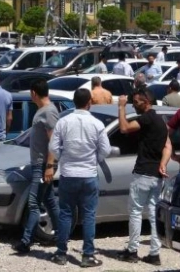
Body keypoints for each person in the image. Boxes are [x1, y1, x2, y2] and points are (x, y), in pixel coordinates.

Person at [48, 88, 110, 267]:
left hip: (68, 173)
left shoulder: (63, 122)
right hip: (89, 174)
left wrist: (63, 158)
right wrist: (95, 158)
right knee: (89, 215)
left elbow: (53, 147)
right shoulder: (97, 124)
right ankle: (88, 255)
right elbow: (105, 149)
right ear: (89, 102)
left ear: (74, 101)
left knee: (65, 214)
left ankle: (61, 253)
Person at [116, 89, 171, 265]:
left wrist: (121, 107)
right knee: (153, 214)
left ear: (146, 101)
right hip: (156, 174)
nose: (133, 104)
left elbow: (124, 128)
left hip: (143, 173)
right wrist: (163, 163)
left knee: (135, 212)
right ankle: (154, 253)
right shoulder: (161, 122)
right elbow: (168, 146)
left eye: (136, 101)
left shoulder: (146, 118)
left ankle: (132, 250)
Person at [13, 79, 60, 255]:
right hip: (38, 164)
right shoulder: (44, 111)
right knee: (50, 201)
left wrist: (49, 166)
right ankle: (61, 236)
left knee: (33, 203)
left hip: (42, 165)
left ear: (34, 93)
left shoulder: (48, 112)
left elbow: (53, 141)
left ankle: (26, 241)